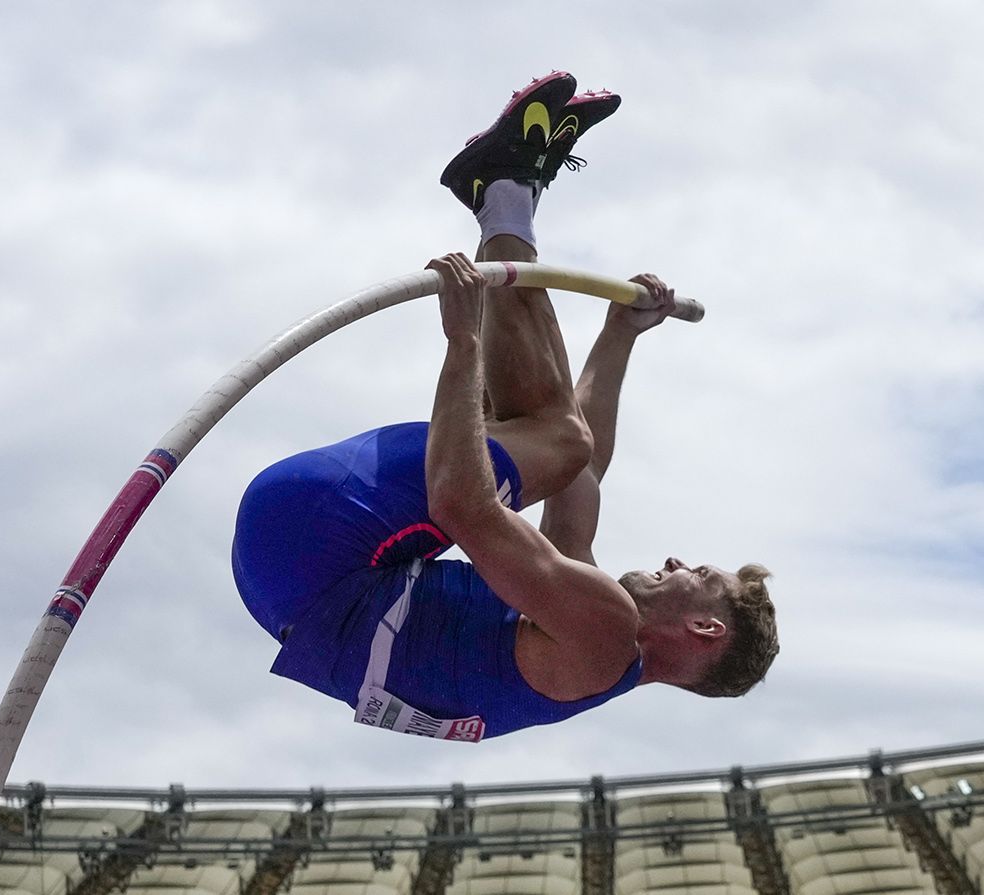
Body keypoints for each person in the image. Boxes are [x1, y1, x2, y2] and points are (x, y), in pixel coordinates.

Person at [231, 72, 777, 741]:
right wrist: (619, 335)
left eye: (698, 573)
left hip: (319, 545)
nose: (674, 561)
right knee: (551, 444)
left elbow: (463, 503)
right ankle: (505, 196)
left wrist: (461, 342)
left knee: (541, 442)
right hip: (287, 575)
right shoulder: (585, 641)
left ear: (705, 627)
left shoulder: (606, 633)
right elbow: (580, 476)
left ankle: (507, 191)